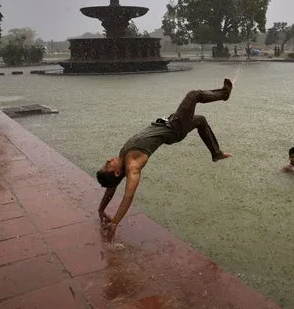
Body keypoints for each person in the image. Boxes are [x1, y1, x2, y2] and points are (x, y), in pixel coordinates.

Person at [97, 79, 233, 242]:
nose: (107, 160)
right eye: (107, 165)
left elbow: (111, 187)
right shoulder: (133, 166)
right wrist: (115, 222)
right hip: (175, 127)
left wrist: (101, 209)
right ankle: (224, 94)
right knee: (194, 95)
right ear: (117, 171)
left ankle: (216, 153)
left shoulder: (121, 160)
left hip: (170, 123)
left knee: (200, 120)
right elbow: (128, 196)